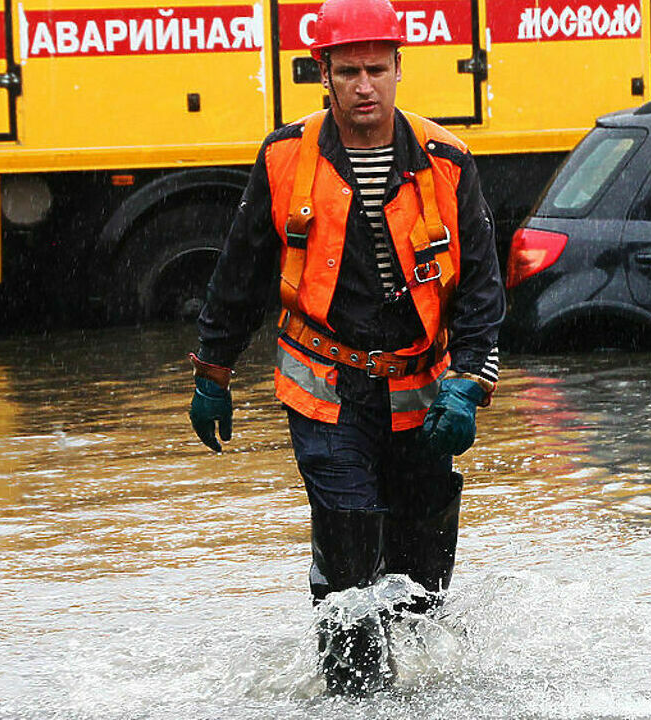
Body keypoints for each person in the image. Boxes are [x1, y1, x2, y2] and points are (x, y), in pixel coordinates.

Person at [185, 0, 503, 696]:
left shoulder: (447, 160)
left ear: (398, 70)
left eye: (378, 70)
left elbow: (481, 286)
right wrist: (213, 370)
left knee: (423, 569)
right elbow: (239, 273)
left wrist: (469, 383)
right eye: (349, 71)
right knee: (349, 547)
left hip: (422, 390)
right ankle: (355, 700)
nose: (366, 86)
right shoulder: (285, 158)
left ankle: (425, 691)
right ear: (323, 73)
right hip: (327, 389)